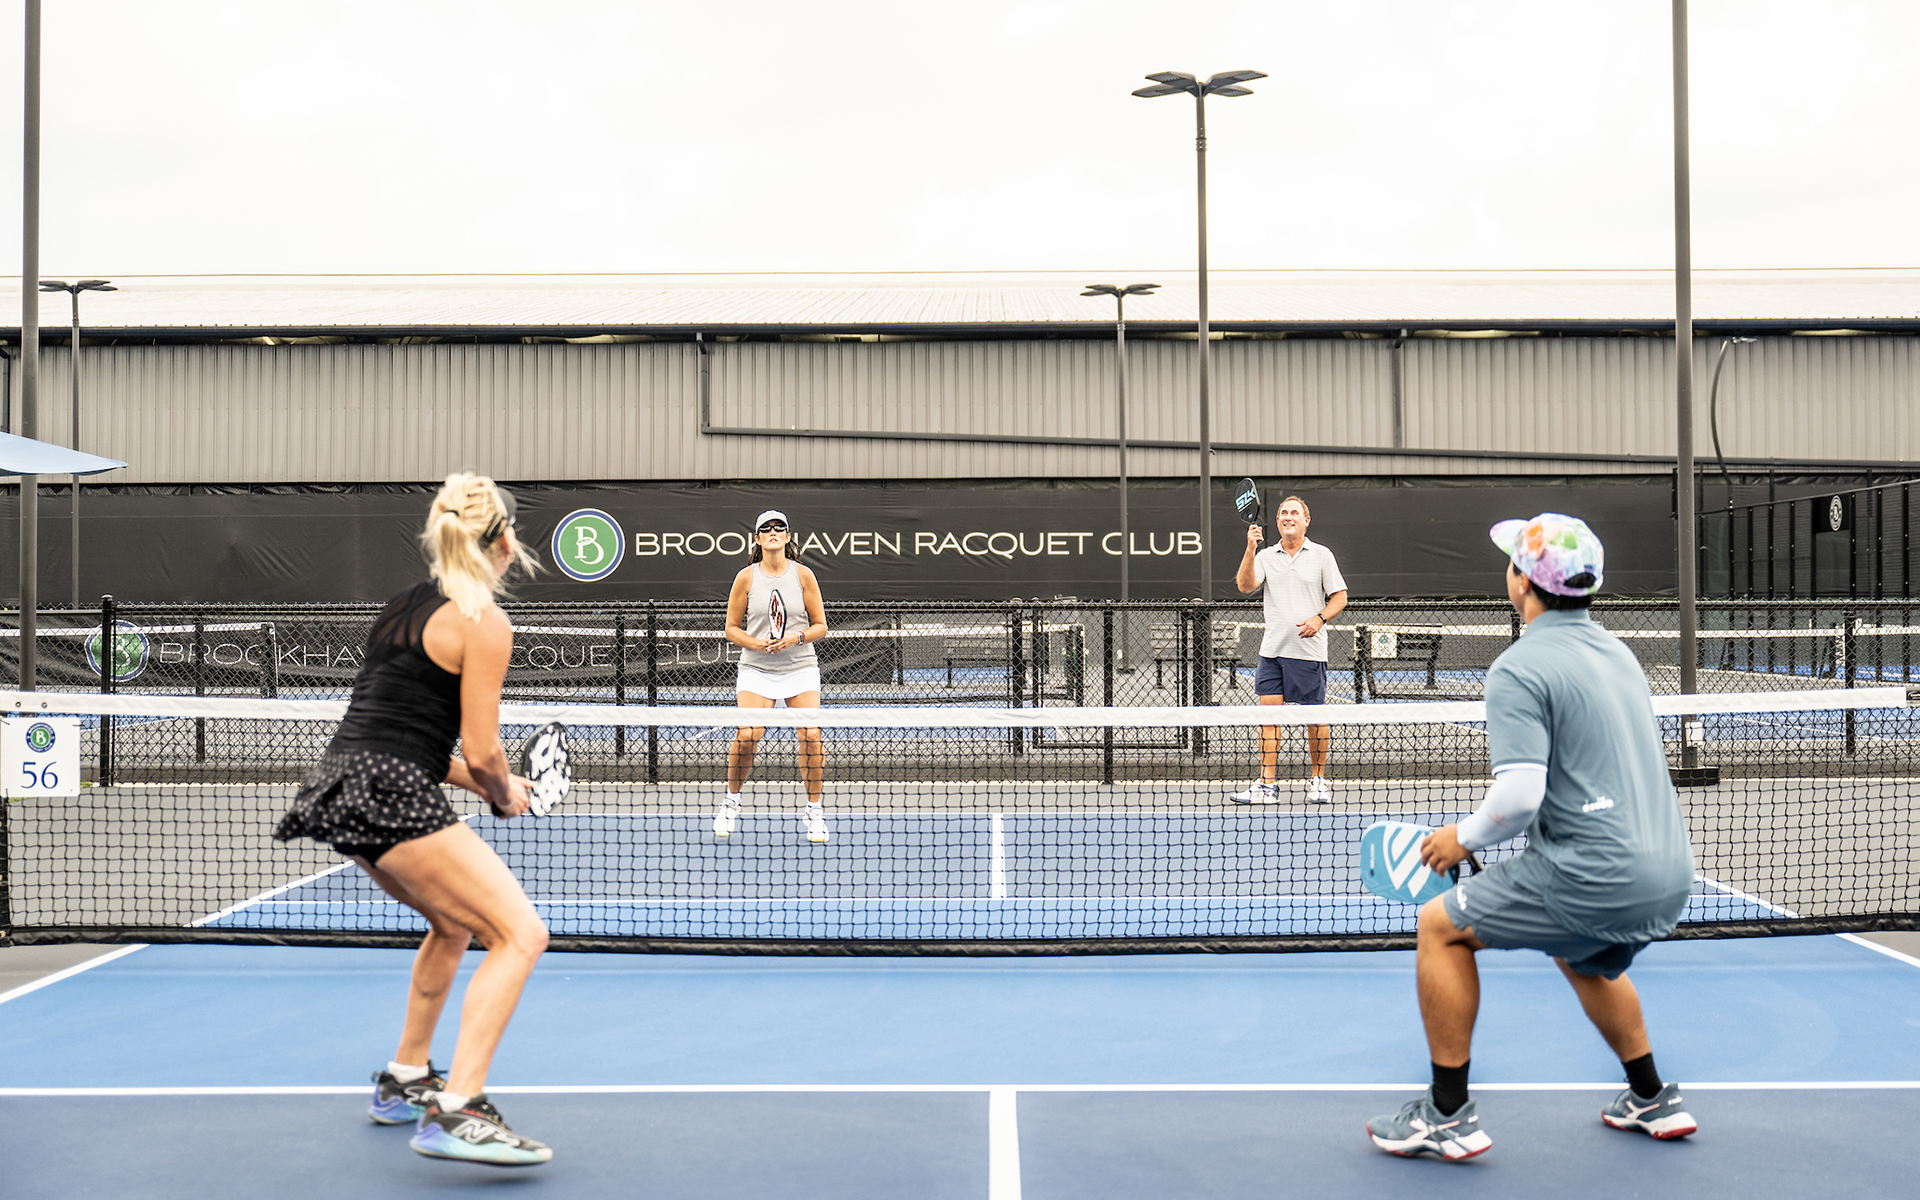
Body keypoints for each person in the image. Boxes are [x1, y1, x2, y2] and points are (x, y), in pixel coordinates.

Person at [1366, 513, 1698, 1162]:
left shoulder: (1518, 668)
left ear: (1522, 581)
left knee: (1440, 926)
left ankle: (1446, 1115)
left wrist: (1461, 839)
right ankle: (1651, 1097)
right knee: (1580, 954)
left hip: (1592, 873)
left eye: (1512, 562)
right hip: (1667, 872)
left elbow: (1519, 797)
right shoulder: (1620, 656)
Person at [273, 473, 553, 1167]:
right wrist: (501, 791)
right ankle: (459, 1110)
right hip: (391, 792)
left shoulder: (403, 606)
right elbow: (482, 751)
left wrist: (495, 783)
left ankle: (405, 1077)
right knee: (521, 934)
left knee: (453, 925)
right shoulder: (485, 621)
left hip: (340, 785)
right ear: (505, 543)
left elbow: (408, 738)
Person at [716, 509, 831, 842]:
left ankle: (814, 811)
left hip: (800, 666)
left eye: (779, 528)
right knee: (748, 736)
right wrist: (757, 643)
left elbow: (820, 626)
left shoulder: (804, 575)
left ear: (788, 536)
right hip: (756, 668)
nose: (773, 532)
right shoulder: (746, 578)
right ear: (757, 538)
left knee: (811, 735)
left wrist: (795, 638)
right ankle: (731, 803)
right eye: (765, 529)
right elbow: (731, 628)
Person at [1231, 494, 1348, 804]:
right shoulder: (1266, 556)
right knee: (1269, 718)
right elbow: (1245, 586)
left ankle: (1319, 781)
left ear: (1306, 520)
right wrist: (1251, 548)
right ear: (1278, 521)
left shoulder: (1322, 555)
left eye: (1295, 512)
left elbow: (1340, 597)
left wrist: (1320, 618)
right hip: (1272, 653)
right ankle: (1267, 785)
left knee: (1315, 719)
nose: (1288, 516)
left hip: (1308, 653)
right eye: (1284, 512)